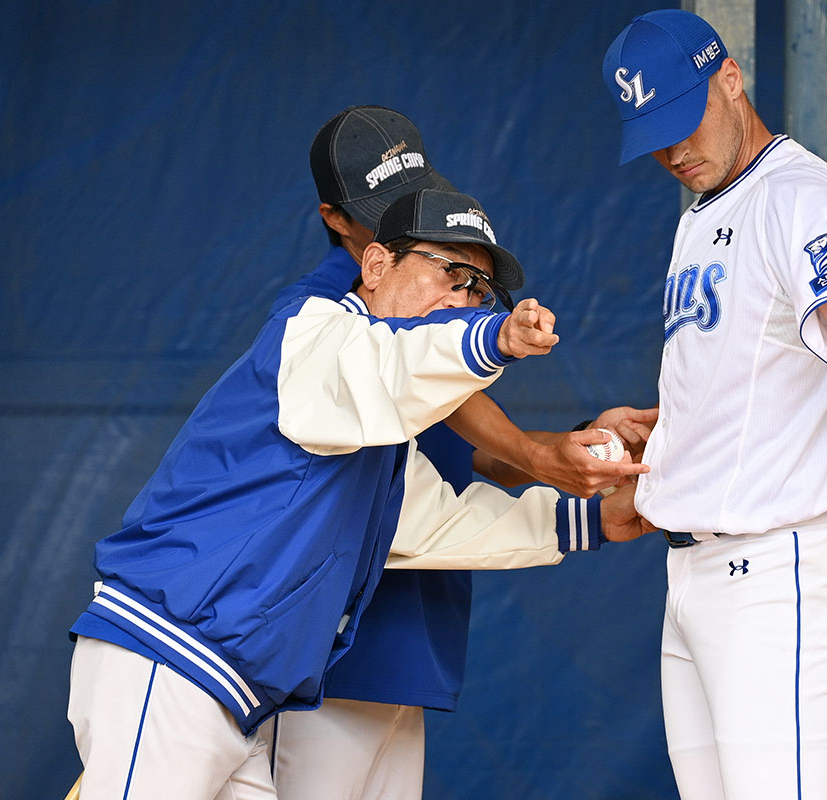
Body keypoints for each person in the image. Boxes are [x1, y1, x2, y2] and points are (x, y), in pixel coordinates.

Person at [66, 184, 653, 800]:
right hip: (172, 657)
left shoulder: (385, 430)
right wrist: (495, 339)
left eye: (478, 291)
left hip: (241, 693)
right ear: (375, 265)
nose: (464, 301)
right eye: (451, 273)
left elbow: (433, 524)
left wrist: (592, 522)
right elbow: (392, 366)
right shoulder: (318, 332)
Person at [264, 106, 657, 800]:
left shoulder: (442, 278)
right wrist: (544, 461)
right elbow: (426, 386)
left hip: (409, 633)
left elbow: (455, 444)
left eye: (409, 202)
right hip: (329, 644)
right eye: (380, 213)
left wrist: (570, 446)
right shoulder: (327, 308)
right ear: (335, 218)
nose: (401, 223)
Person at [602, 10, 827, 799]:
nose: (674, 150)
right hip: (700, 574)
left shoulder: (797, 193)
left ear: (731, 79)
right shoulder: (705, 211)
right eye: (654, 135)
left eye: (684, 119)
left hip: (776, 571)